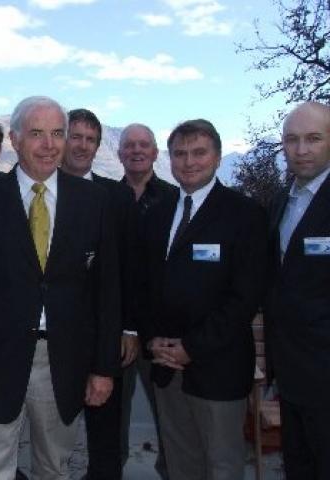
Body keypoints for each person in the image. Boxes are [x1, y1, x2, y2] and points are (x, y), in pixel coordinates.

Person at [0, 96, 120, 480]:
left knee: (54, 468)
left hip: (63, 360)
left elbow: (107, 292)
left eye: (57, 134)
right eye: (37, 134)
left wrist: (103, 367)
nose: (49, 145)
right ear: (14, 139)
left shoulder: (94, 202)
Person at [136, 119, 268, 480]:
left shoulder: (245, 215)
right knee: (181, 466)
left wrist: (192, 346)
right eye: (180, 153)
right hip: (166, 366)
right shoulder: (158, 213)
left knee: (222, 466)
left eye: (199, 152)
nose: (189, 161)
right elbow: (143, 286)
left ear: (217, 156)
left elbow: (245, 297)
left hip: (218, 368)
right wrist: (152, 340)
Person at [61, 108, 133, 480]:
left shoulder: (116, 197)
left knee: (105, 434)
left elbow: (130, 271)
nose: (83, 146)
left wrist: (130, 329)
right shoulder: (34, 191)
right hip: (52, 336)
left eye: (91, 139)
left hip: (104, 334)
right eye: (76, 136)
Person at [265, 101, 330, 479]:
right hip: (291, 376)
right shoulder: (280, 202)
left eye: (313, 139)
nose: (301, 150)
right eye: (292, 140)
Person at [117, 123, 176, 479]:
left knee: (169, 421)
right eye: (129, 146)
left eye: (144, 145)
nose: (137, 151)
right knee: (111, 421)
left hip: (160, 332)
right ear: (120, 153)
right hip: (115, 331)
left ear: (155, 153)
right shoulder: (105, 198)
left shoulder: (173, 199)